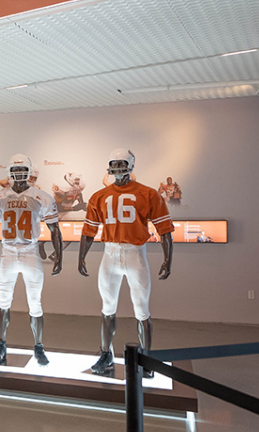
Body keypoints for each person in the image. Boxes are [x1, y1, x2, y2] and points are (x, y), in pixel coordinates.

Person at [79, 149, 173, 378]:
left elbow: (165, 230)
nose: (118, 168)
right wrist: (81, 255)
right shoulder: (99, 196)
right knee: (107, 308)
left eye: (122, 164)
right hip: (110, 253)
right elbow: (89, 231)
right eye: (115, 164)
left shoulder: (148, 193)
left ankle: (147, 358)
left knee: (142, 310)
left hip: (134, 253)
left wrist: (168, 258)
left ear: (130, 165)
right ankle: (106, 354)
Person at [0, 154, 62, 366]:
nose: (19, 174)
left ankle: (39, 346)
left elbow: (55, 229)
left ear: (29, 171)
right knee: (3, 302)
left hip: (30, 251)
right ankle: (0, 345)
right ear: (9, 172)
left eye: (22, 169)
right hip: (7, 252)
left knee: (35, 303)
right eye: (15, 170)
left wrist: (59, 256)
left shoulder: (41, 196)